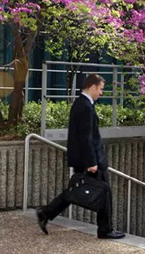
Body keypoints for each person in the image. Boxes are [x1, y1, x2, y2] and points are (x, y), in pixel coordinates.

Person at [37, 74, 125, 240]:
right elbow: (86, 137)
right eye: (100, 89)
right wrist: (92, 162)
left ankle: (46, 212)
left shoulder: (82, 104)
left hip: (88, 159)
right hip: (91, 160)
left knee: (76, 191)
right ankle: (105, 230)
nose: (101, 93)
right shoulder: (84, 106)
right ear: (92, 87)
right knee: (104, 192)